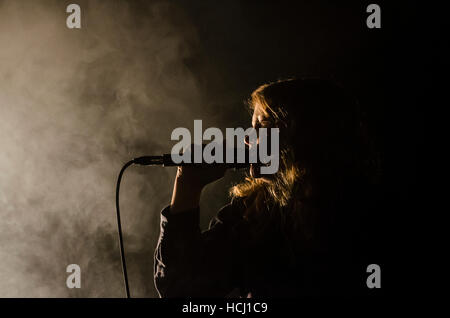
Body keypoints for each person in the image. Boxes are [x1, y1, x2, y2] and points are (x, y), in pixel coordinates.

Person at [154, 78, 378, 297]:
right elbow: (180, 289)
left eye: (262, 126)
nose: (247, 140)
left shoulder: (366, 212)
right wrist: (186, 187)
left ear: (302, 135)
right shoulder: (253, 210)